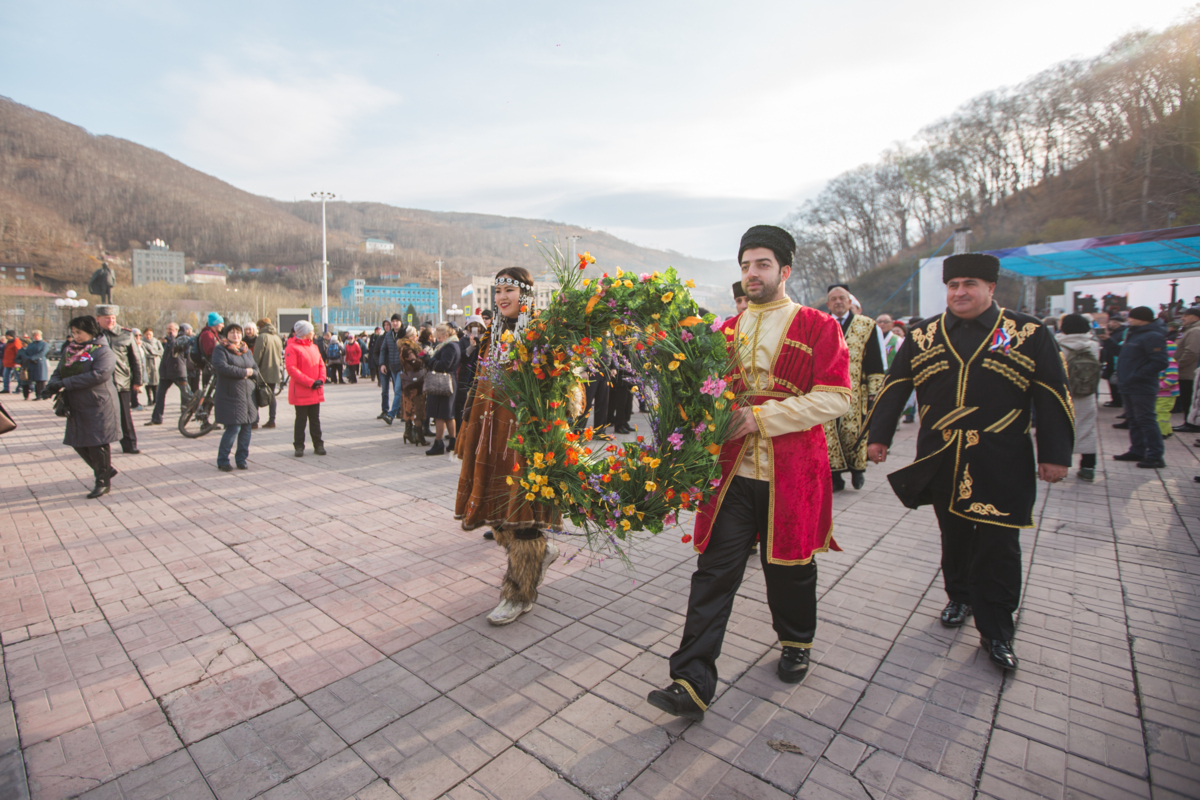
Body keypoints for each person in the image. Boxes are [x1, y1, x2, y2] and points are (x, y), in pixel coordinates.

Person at [647, 225, 851, 722]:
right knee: (714, 573)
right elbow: (704, 398)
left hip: (793, 471)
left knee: (791, 569)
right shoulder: (724, 332)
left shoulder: (818, 325)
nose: (752, 274)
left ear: (784, 270)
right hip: (734, 474)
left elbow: (836, 397)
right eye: (745, 265)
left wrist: (760, 417)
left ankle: (796, 641)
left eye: (761, 264)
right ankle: (690, 681)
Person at [866, 253, 1074, 672]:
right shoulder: (924, 334)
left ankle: (997, 630)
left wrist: (1055, 455)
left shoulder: (1025, 332)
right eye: (953, 285)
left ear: (991, 288)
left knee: (999, 543)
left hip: (1002, 457)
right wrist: (878, 437)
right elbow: (896, 386)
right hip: (941, 454)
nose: (959, 292)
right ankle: (959, 595)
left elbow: (1052, 393)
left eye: (969, 284)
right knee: (954, 532)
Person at [455, 267, 561, 625]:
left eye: (508, 291)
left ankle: (519, 593)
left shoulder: (541, 335)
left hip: (526, 439)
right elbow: (477, 384)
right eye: (497, 290)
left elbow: (563, 386)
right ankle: (540, 555)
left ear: (525, 295)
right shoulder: (491, 334)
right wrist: (467, 425)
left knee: (524, 516)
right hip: (490, 436)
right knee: (497, 511)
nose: (501, 297)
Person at [45, 316, 121, 498]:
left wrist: (66, 382)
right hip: (76, 403)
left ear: (91, 331)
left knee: (97, 443)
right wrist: (53, 384)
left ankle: (102, 482)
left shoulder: (102, 351)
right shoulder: (71, 350)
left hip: (97, 403)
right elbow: (59, 370)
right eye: (73, 332)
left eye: (79, 332)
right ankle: (104, 469)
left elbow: (99, 375)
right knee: (77, 441)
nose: (75, 336)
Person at [824, 284, 884, 491]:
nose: (838, 302)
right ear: (828, 303)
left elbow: (875, 360)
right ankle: (835, 476)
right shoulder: (822, 324)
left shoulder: (866, 325)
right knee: (830, 434)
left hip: (857, 391)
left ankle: (858, 472)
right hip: (827, 390)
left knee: (854, 432)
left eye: (842, 298)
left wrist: (875, 392)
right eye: (834, 299)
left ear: (850, 302)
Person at [1113, 306, 1169, 469]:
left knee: (1146, 419)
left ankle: (1155, 455)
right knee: (1133, 419)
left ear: (1142, 318)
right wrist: (1108, 341)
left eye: (1132, 317)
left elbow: (1160, 361)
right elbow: (1123, 354)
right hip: (1129, 384)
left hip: (1141, 386)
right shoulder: (1133, 333)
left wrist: (1136, 376)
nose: (1128, 319)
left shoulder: (1153, 336)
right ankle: (1137, 450)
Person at [1057, 314, 1101, 481]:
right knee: (1087, 428)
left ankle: (1058, 464)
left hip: (1062, 393)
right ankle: (1088, 467)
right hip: (1086, 392)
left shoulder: (1059, 344)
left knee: (1058, 430)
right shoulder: (1093, 345)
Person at [210, 323, 260, 471]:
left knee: (247, 428)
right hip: (230, 395)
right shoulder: (221, 349)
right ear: (226, 335)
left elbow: (255, 369)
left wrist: (252, 372)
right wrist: (245, 372)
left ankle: (241, 459)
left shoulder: (246, 350)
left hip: (248, 396)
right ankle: (223, 459)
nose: (236, 335)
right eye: (232, 333)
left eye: (238, 332)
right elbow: (222, 367)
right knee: (233, 428)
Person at [95, 305, 142, 455]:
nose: (110, 321)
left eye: (113, 318)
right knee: (99, 416)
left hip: (121, 382)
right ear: (98, 319)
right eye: (107, 318)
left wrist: (138, 380)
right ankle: (99, 447)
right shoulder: (93, 335)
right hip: (99, 383)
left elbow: (136, 360)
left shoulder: (126, 335)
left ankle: (130, 445)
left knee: (125, 416)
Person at [286, 321, 326, 456]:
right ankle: (299, 446)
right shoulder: (292, 348)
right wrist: (310, 382)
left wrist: (321, 379)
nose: (314, 332)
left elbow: (321, 364)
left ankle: (318, 445)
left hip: (315, 389)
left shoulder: (314, 347)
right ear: (305, 332)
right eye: (311, 330)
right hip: (302, 391)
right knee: (301, 420)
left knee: (315, 419)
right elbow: (292, 369)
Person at [424, 323, 460, 456]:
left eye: (439, 337)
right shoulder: (454, 344)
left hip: (443, 383)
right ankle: (452, 441)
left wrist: (431, 361)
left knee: (440, 414)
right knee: (448, 415)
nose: (438, 339)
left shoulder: (449, 346)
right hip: (448, 382)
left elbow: (444, 365)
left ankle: (438, 443)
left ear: (445, 335)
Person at [150, 323, 190, 425]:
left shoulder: (180, 340)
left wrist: (171, 338)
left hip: (178, 373)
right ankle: (156, 418)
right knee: (160, 395)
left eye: (172, 330)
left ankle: (193, 415)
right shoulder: (166, 341)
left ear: (177, 331)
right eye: (168, 329)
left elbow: (175, 348)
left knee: (187, 395)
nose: (169, 331)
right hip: (166, 374)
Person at [252, 318, 284, 429]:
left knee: (255, 396)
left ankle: (254, 421)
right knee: (271, 396)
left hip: (262, 372)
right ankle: (272, 420)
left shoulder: (261, 337)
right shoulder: (277, 337)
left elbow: (257, 356)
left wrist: (253, 369)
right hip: (274, 371)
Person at [455, 317, 485, 431]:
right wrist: (471, 347)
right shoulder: (463, 340)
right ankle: (460, 430)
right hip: (465, 376)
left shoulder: (484, 340)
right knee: (461, 404)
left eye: (478, 326)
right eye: (472, 327)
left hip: (480, 376)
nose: (475, 329)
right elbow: (461, 358)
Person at [1172, 307, 1200, 428]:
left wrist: (1177, 366)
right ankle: (1189, 422)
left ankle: (1191, 423)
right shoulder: (1190, 329)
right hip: (1186, 371)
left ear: (1196, 317)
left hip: (1188, 372)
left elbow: (1192, 352)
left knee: (1189, 398)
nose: (1182, 318)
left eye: (1186, 315)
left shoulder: (1195, 331)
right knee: (1187, 398)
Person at [16, 330, 49, 399]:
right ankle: (37, 395)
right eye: (35, 335)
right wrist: (28, 358)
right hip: (31, 364)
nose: (36, 337)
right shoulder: (31, 344)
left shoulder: (44, 344)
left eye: (38, 335)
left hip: (40, 364)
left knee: (41, 380)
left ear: (40, 336)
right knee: (34, 380)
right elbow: (25, 352)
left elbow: (42, 353)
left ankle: (41, 395)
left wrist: (33, 358)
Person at [1157, 342, 1179, 438]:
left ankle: (1162, 432)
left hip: (1167, 393)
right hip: (1161, 393)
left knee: (1161, 412)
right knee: (1161, 411)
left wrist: (1159, 386)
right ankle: (1167, 430)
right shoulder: (1163, 361)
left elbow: (1172, 378)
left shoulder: (1169, 362)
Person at [141, 328, 163, 406]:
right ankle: (149, 399)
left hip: (157, 363)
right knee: (148, 382)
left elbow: (161, 351)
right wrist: (155, 353)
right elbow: (146, 353)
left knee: (156, 382)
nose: (148, 336)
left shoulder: (157, 342)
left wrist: (155, 353)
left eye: (150, 334)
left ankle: (155, 399)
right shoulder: (142, 343)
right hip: (148, 363)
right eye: (147, 334)